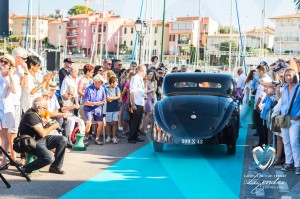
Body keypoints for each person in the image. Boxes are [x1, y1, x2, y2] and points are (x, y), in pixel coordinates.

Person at [19, 97, 67, 175]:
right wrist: (53, 127)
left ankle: (55, 167)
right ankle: (26, 168)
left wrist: (48, 124)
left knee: (63, 140)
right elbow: (43, 133)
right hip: (32, 143)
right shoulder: (31, 115)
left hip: (40, 139)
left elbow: (41, 131)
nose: (46, 111)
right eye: (45, 109)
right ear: (39, 108)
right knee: (49, 158)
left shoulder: (36, 113)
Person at [278, 69, 300, 175]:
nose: (288, 77)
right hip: (284, 118)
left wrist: (298, 115)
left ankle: (298, 165)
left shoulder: (299, 88)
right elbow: (281, 102)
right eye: (286, 75)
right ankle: (289, 163)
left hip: (295, 119)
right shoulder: (285, 88)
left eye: (290, 75)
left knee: (294, 142)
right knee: (286, 142)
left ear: (294, 76)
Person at [0, 54, 17, 170]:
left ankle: (4, 160)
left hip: (5, 109)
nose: (2, 64)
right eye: (1, 61)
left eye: (6, 62)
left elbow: (14, 90)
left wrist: (10, 75)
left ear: (10, 65)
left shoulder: (12, 77)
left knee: (4, 134)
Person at [83, 75, 107, 145]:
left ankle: (97, 138)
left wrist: (102, 102)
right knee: (89, 123)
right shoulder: (88, 89)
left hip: (98, 108)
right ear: (95, 82)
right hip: (88, 108)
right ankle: (86, 138)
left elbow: (104, 99)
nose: (101, 84)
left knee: (100, 123)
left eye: (102, 83)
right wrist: (95, 103)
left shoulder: (102, 88)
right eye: (100, 82)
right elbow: (86, 102)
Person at [254, 64, 272, 147]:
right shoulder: (265, 79)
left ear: (261, 71)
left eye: (258, 71)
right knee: (262, 126)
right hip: (263, 105)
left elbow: (262, 94)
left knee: (260, 125)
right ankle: (263, 142)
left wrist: (258, 105)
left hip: (261, 106)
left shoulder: (264, 80)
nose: (257, 73)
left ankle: (262, 143)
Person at [128, 64, 147, 144]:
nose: (145, 72)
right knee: (134, 121)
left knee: (138, 121)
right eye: (145, 71)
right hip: (136, 102)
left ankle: (135, 136)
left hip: (140, 102)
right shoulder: (135, 78)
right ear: (141, 70)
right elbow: (132, 91)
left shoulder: (140, 79)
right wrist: (133, 104)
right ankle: (131, 137)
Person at [105, 76, 121, 144]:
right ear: (111, 83)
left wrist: (112, 98)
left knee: (115, 122)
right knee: (108, 123)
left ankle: (114, 137)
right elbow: (107, 98)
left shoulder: (117, 88)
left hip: (116, 108)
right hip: (108, 108)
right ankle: (108, 136)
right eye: (115, 83)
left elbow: (118, 96)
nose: (116, 84)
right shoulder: (106, 89)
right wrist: (112, 98)